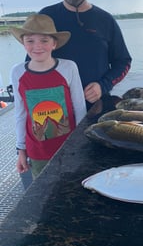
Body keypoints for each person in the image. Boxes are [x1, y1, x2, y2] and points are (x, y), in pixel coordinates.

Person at [39, 0, 132, 110]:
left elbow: (123, 61)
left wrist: (103, 85)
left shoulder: (105, 20)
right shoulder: (46, 17)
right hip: (55, 106)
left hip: (97, 106)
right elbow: (31, 62)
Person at [10, 14, 87, 178]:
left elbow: (79, 107)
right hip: (37, 152)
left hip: (68, 148)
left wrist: (81, 142)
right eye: (30, 40)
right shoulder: (17, 72)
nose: (37, 46)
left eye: (44, 40)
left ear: (54, 43)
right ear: (23, 43)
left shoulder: (68, 67)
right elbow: (20, 113)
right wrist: (21, 150)